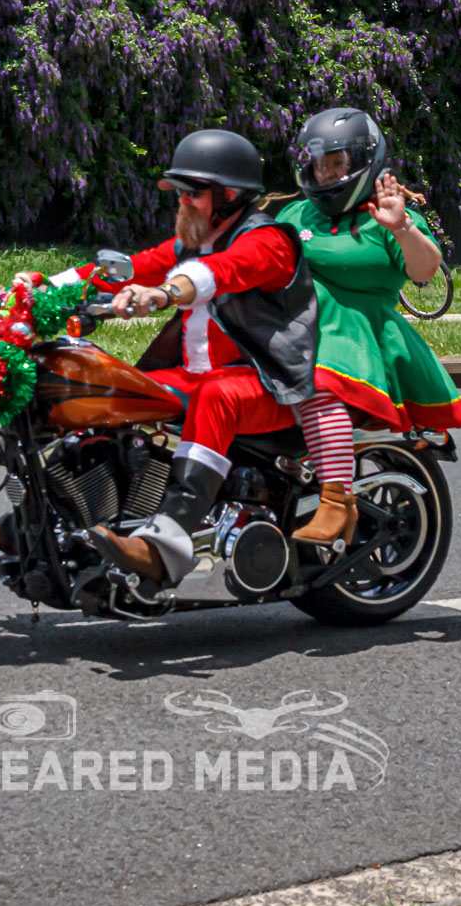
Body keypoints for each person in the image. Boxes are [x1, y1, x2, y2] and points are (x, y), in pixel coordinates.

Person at [17, 129, 317, 587]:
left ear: (228, 195)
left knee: (217, 396)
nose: (181, 201)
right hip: (196, 377)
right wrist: (40, 289)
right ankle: (39, 525)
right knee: (108, 395)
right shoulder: (190, 244)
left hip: (268, 382)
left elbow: (222, 272)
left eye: (192, 192)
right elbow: (125, 270)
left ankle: (167, 544)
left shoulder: (268, 240)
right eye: (179, 192)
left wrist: (163, 293)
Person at [276, 107, 461, 547]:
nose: (326, 173)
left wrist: (401, 227)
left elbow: (424, 270)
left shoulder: (385, 212)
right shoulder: (295, 214)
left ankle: (336, 501)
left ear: (365, 162)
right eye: (319, 163)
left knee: (320, 384)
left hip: (353, 336)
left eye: (337, 163)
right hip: (292, 329)